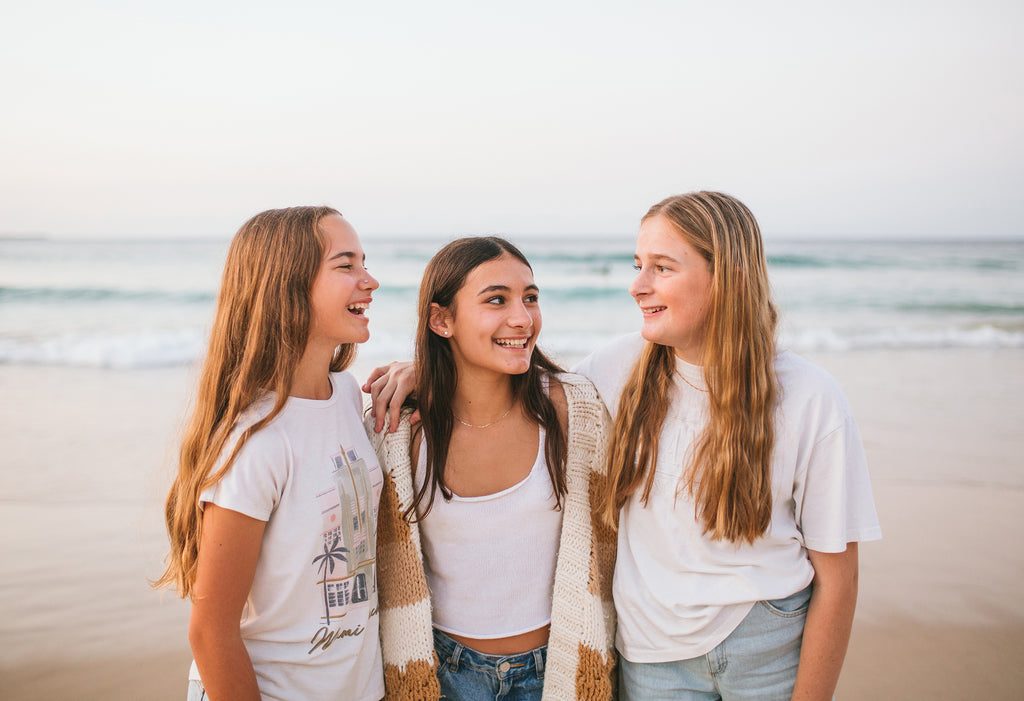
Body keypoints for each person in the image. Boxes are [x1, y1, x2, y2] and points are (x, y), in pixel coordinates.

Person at [367, 192, 881, 701]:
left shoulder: (811, 398)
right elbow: (505, 370)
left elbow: (839, 575)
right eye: (639, 265)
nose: (637, 286)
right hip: (653, 651)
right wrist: (427, 370)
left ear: (729, 277)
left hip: (768, 638)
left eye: (662, 267)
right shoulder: (614, 372)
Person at [365, 237, 617, 701]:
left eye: (531, 298)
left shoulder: (573, 410)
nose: (522, 318)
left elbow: (611, 544)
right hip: (442, 672)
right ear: (442, 320)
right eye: (496, 300)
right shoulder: (398, 432)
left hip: (557, 668)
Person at [155, 206, 386, 701]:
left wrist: (418, 374)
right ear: (288, 285)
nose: (370, 280)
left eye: (364, 262)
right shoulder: (257, 442)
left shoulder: (346, 394)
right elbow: (210, 631)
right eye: (346, 266)